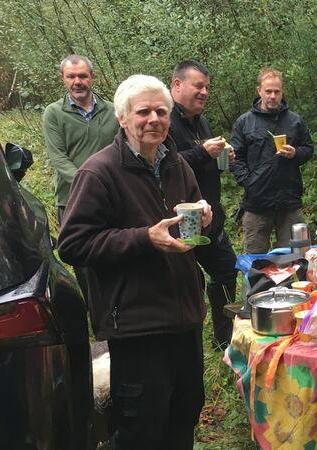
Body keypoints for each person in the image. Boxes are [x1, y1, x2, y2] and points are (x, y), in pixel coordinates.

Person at [58, 74, 213, 450]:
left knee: (184, 412)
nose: (154, 119)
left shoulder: (178, 165)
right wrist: (144, 238)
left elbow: (191, 228)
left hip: (185, 319)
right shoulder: (99, 172)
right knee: (142, 426)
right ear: (123, 119)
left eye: (161, 111)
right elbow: (73, 244)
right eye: (143, 112)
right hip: (137, 324)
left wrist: (207, 215)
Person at [168, 60, 237, 349]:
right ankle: (185, 342)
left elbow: (200, 162)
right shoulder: (164, 120)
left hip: (210, 218)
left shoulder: (201, 121)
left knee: (226, 270)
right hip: (177, 221)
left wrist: (222, 158)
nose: (205, 92)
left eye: (207, 87)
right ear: (177, 85)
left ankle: (225, 339)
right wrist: (201, 152)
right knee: (183, 284)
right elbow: (166, 164)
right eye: (199, 86)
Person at [231, 67, 314, 253]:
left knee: (297, 256)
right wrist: (248, 182)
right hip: (257, 202)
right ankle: (259, 283)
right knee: (255, 259)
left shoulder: (295, 121)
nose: (272, 96)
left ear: (282, 92)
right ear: (259, 90)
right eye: (268, 91)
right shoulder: (244, 122)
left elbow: (308, 149)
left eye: (277, 91)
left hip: (289, 200)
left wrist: (295, 153)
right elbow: (235, 158)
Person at [43, 55, 119, 224]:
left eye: (83, 76)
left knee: (111, 246)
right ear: (62, 78)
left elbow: (123, 150)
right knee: (74, 249)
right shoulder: (54, 113)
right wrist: (89, 183)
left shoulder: (113, 111)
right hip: (70, 198)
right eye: (71, 76)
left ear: (92, 76)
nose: (77, 82)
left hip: (110, 197)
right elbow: (59, 158)